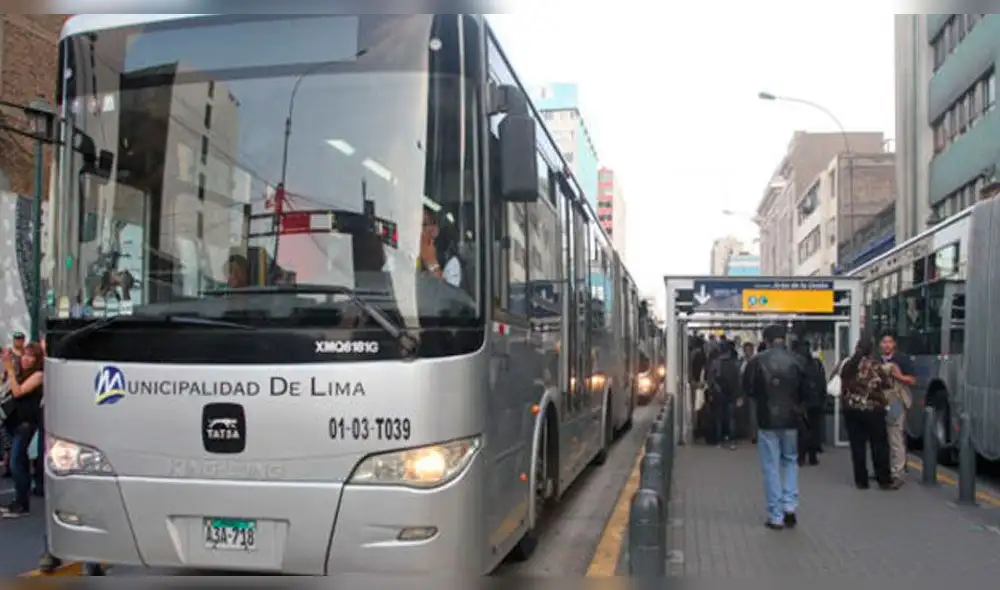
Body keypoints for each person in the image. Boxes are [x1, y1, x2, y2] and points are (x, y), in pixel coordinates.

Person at [743, 324, 814, 530]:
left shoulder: (757, 362)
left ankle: (776, 515)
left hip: (767, 420)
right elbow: (809, 392)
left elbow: (748, 388)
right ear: (785, 339)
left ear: (765, 340)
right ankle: (790, 505)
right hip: (792, 420)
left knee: (771, 466)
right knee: (790, 461)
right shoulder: (798, 361)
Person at [841, 336, 897, 490]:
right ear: (871, 350)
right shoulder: (875, 366)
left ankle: (861, 481)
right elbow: (887, 384)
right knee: (879, 445)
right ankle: (883, 479)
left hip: (852, 410)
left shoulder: (848, 365)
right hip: (874, 411)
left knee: (857, 446)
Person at [1, 342, 44, 518]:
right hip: (13, 422)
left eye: (31, 356)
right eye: (24, 355)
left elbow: (18, 392)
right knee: (18, 461)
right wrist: (8, 369)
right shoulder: (19, 373)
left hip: (26, 424)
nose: (26, 359)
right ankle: (18, 501)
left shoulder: (38, 375)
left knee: (17, 463)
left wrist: (11, 371)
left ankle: (22, 504)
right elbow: (8, 390)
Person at [879, 331, 916, 486]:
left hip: (896, 401)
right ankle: (886, 469)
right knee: (882, 438)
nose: (887, 345)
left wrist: (898, 375)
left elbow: (913, 380)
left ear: (894, 344)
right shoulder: (876, 360)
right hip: (880, 402)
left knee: (895, 436)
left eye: (890, 342)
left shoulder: (902, 360)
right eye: (884, 342)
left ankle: (898, 472)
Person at [792, 339, 825, 466]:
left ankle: (801, 457)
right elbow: (822, 383)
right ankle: (812, 456)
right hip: (815, 402)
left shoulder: (795, 363)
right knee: (814, 429)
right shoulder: (816, 363)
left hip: (801, 402)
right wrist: (822, 399)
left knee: (801, 431)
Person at [707, 341, 742, 450]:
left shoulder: (715, 363)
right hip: (732, 394)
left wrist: (711, 392)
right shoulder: (735, 363)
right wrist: (739, 395)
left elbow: (710, 380)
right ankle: (732, 441)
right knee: (731, 418)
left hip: (718, 394)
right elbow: (739, 380)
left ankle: (719, 441)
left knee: (718, 418)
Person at [419, 207, 462, 288]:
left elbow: (447, 294)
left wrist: (430, 261)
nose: (421, 230)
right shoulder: (408, 255)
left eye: (424, 225)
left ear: (435, 229)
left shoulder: (450, 260)